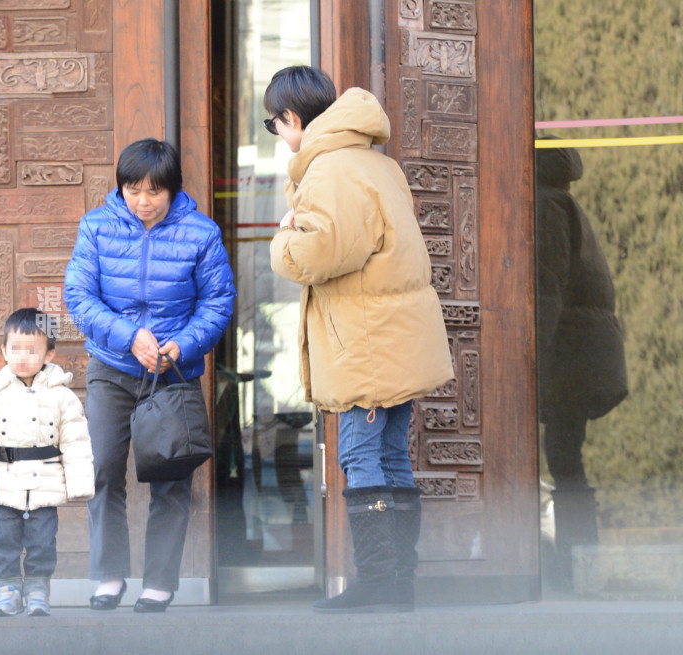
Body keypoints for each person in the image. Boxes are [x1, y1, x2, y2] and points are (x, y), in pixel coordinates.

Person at [264, 66, 453, 613]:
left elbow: (318, 254)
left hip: (365, 340)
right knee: (391, 454)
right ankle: (398, 583)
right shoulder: (376, 162)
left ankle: (377, 582)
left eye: (275, 124)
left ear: (291, 118)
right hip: (392, 335)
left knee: (360, 452)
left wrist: (282, 239)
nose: (277, 134)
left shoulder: (330, 170)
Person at [64, 138, 235, 613]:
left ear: (172, 189)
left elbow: (218, 301)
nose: (142, 201)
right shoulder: (96, 226)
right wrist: (128, 336)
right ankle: (109, 575)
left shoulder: (201, 233)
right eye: (132, 190)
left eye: (154, 191)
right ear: (120, 188)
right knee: (102, 469)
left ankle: (159, 582)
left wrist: (182, 345)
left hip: (172, 371)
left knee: (172, 475)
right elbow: (79, 296)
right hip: (112, 367)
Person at [0, 307, 94, 617]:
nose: (22, 357)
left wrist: (79, 483)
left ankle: (37, 589)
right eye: (15, 349)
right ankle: (7, 589)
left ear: (49, 354)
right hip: (4, 480)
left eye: (32, 350)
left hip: (46, 482)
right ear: (4, 351)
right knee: (3, 539)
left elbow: (76, 442)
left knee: (42, 541)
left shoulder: (62, 396)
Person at [536, 141, 627, 590]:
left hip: (569, 353)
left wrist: (531, 352)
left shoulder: (547, 207)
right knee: (565, 457)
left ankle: (572, 566)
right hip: (586, 352)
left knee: (561, 457)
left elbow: (547, 286)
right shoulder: (566, 204)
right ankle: (577, 565)